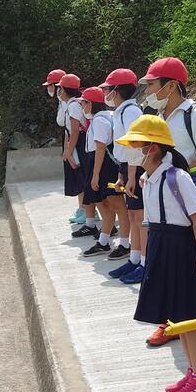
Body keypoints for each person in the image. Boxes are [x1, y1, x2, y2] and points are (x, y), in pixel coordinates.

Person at [116, 116, 196, 392]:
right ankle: (195, 373)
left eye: (136, 144)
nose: (131, 151)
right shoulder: (148, 180)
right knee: (179, 319)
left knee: (191, 318)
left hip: (182, 250)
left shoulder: (178, 177)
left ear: (152, 148)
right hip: (163, 248)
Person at [138, 57, 196, 351]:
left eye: (152, 85)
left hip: (190, 203)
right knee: (175, 271)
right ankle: (177, 321)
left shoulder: (195, 114)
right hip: (169, 208)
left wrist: (174, 178)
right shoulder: (160, 118)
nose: (149, 91)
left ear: (172, 85)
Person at [82, 69, 139, 260]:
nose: (105, 93)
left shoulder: (129, 112)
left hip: (122, 165)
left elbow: (132, 144)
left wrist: (97, 174)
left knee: (122, 208)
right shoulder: (118, 112)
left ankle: (127, 247)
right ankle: (107, 242)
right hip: (122, 165)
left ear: (117, 90)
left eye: (107, 89)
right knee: (115, 207)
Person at [72, 87, 117, 240]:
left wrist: (95, 174)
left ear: (90, 104)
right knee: (99, 199)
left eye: (83, 103)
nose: (82, 107)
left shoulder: (99, 121)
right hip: (96, 161)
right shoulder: (99, 119)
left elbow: (100, 148)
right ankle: (106, 230)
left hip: (100, 163)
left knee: (103, 202)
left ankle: (107, 232)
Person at [58, 74, 88, 221]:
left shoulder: (74, 105)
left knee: (81, 177)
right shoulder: (71, 104)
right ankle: (83, 209)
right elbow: (68, 131)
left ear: (64, 90)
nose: (58, 91)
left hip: (79, 144)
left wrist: (69, 152)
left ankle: (86, 211)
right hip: (75, 144)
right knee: (78, 178)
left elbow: (75, 131)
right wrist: (67, 150)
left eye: (60, 88)